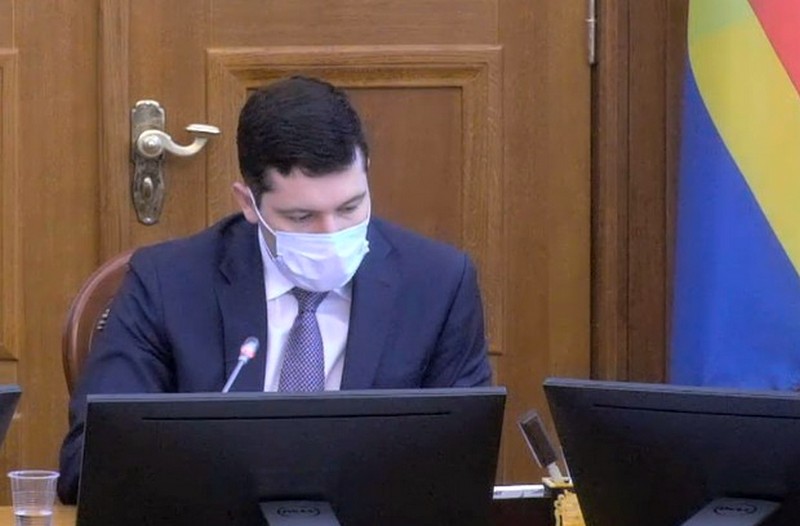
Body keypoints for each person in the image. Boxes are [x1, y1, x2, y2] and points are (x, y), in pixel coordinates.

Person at [57, 76, 492, 503]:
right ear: (248, 203)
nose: (330, 233)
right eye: (302, 217)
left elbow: (462, 467)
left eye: (350, 207)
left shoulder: (438, 284)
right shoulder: (166, 283)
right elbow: (89, 465)